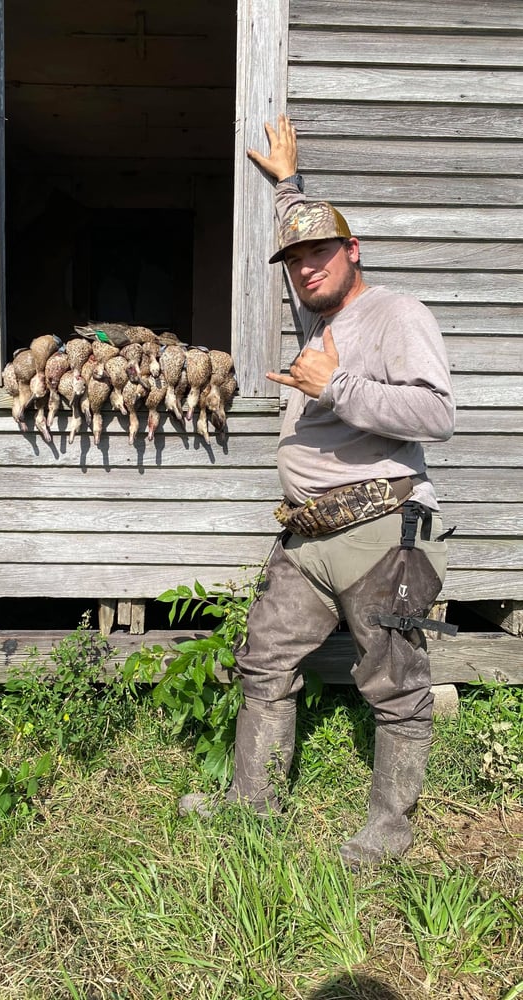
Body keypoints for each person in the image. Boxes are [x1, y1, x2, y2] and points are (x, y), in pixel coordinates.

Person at [179, 115, 456, 868]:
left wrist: (334, 385)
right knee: (265, 663)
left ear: (353, 251)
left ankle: (387, 834)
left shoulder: (397, 314)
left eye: (320, 253)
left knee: (395, 685)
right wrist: (288, 186)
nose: (306, 269)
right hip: (307, 535)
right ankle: (253, 805)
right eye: (295, 259)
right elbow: (302, 245)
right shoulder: (318, 316)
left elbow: (437, 413)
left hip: (375, 529)